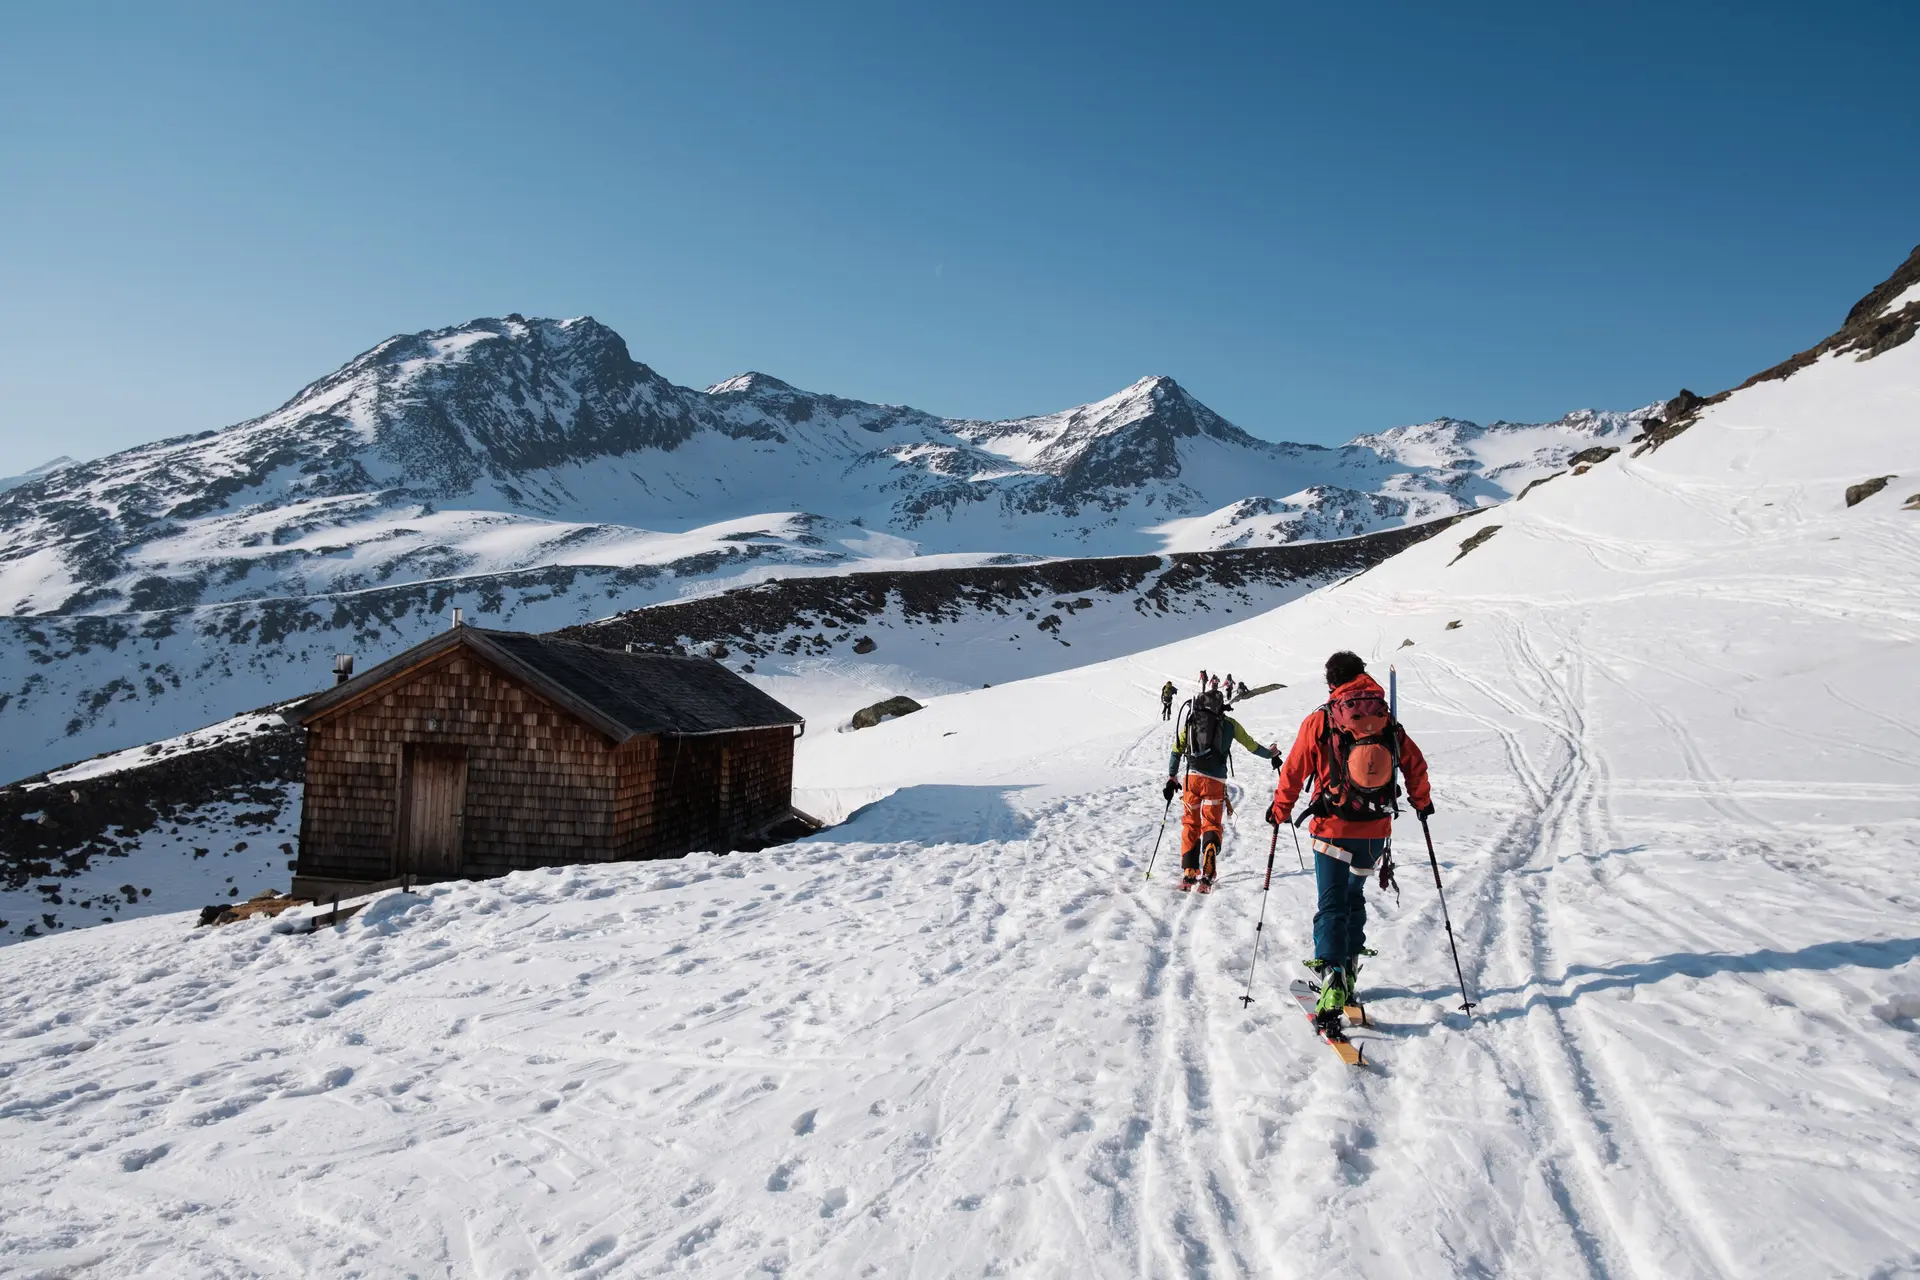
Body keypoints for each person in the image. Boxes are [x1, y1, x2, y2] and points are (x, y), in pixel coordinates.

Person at [1268, 651, 1432, 1029]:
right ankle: (1350, 972)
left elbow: (1294, 769)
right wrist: (1422, 803)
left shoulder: (1321, 720)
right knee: (1354, 898)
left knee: (1330, 905)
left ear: (1332, 683)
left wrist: (1280, 810)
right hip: (1375, 832)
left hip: (1332, 829)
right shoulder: (1386, 720)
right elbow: (1414, 765)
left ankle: (1331, 980)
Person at [1163, 686, 1277, 891]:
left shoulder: (1192, 722)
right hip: (1215, 781)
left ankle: (1189, 870)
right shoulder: (1230, 725)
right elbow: (1252, 746)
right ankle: (1209, 855)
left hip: (1191, 779)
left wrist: (1172, 775)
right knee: (1211, 823)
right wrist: (1271, 754)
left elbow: (1176, 750)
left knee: (1190, 823)